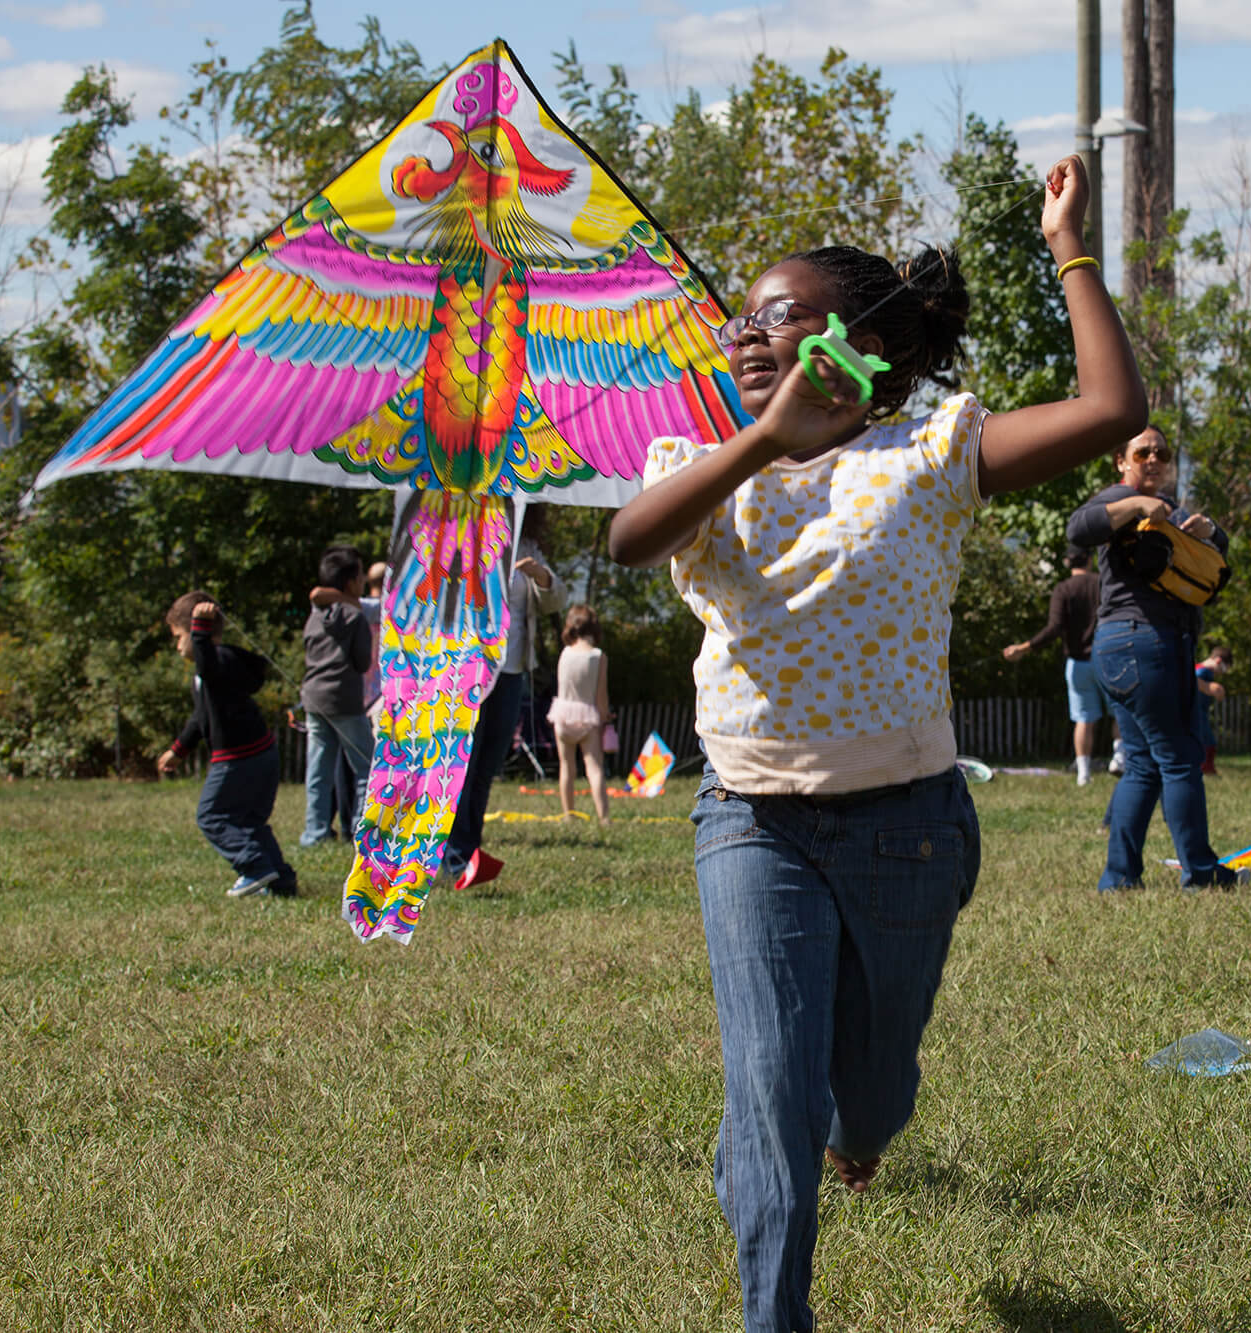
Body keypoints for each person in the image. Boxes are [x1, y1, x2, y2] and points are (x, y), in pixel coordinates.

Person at [606, 154, 1145, 1333]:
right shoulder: (701, 469)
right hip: (749, 822)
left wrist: (1068, 247)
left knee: (872, 1095)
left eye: (776, 315)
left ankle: (861, 1134)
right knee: (769, 1090)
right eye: (738, 316)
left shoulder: (929, 451)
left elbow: (1113, 413)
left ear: (854, 340)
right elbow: (628, 541)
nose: (743, 332)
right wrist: (762, 439)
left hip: (906, 824)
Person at [1067, 426, 1241, 890]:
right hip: (1144, 644)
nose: (1153, 459)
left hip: (1129, 648)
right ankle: (1201, 875)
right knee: (1181, 758)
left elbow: (1218, 566)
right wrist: (1138, 504)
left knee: (1143, 763)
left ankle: (1119, 878)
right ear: (1122, 461)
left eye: (1161, 453)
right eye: (1142, 452)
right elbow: (1078, 527)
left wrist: (1213, 532)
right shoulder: (1119, 498)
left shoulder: (1172, 511)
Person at [442, 524, 564, 890]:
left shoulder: (526, 542)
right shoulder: (459, 531)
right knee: (462, 764)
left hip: (510, 671)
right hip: (467, 667)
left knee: (486, 767)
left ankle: (466, 849)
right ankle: (451, 856)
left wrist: (540, 575)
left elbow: (555, 599)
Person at [154, 593, 297, 898]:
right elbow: (201, 716)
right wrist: (179, 749)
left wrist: (200, 630)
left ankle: (255, 867)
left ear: (198, 631)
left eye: (179, 637)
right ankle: (281, 881)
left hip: (240, 758)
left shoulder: (218, 663)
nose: (178, 645)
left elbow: (208, 667)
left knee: (211, 816)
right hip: (260, 755)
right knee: (249, 822)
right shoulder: (214, 669)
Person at [1001, 548, 1105, 784]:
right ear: (1090, 559)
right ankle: (1121, 758)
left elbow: (1054, 628)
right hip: (1106, 659)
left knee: (1083, 718)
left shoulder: (1064, 589)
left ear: (1069, 563)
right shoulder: (1102, 583)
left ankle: (1083, 773)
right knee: (1120, 711)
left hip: (1077, 663)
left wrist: (1023, 647)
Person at [299, 545, 374, 848]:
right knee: (366, 768)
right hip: (344, 700)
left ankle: (314, 833)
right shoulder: (356, 618)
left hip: (314, 699)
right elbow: (362, 662)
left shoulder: (315, 616)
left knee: (318, 768)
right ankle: (362, 831)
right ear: (350, 582)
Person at [548, 605, 611, 826]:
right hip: (587, 716)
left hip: (563, 715)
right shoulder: (598, 656)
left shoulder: (565, 653)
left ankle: (568, 814)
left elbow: (561, 685)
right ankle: (603, 817)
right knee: (594, 768)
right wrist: (604, 716)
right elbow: (600, 694)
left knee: (566, 766)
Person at [1194, 643, 1233, 776]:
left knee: (1206, 740)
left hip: (1198, 711)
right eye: (1223, 669)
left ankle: (1205, 767)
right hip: (1196, 712)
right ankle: (1206, 768)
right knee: (1208, 741)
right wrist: (1214, 689)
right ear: (1218, 661)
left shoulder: (1198, 668)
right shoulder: (1203, 671)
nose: (1221, 673)